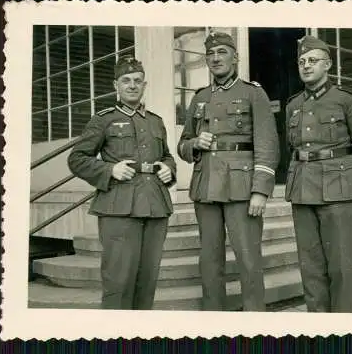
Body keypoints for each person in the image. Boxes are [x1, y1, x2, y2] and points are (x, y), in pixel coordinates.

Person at [177, 31, 280, 311]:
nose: (215, 58)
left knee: (248, 259)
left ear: (235, 57)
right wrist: (194, 144)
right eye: (210, 53)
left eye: (222, 52)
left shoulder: (252, 92)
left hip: (241, 187)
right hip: (206, 185)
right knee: (209, 261)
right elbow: (182, 144)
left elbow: (268, 144)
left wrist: (260, 190)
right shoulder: (199, 98)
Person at [67, 55, 176, 310]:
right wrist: (109, 169)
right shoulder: (103, 119)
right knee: (118, 282)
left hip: (155, 206)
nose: (132, 85)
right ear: (116, 85)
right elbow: (77, 159)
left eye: (138, 80)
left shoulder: (156, 121)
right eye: (125, 80)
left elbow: (167, 156)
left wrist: (169, 169)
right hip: (118, 208)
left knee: (147, 282)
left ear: (144, 86)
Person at [284, 35, 352, 313]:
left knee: (339, 268)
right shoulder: (293, 105)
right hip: (302, 189)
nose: (306, 66)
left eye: (312, 60)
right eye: (302, 61)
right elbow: (292, 148)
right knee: (310, 268)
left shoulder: (347, 100)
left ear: (327, 64)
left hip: (340, 189)